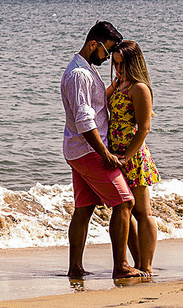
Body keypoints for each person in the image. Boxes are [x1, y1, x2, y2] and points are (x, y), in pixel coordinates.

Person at [60, 20, 142, 280]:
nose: (107, 58)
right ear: (93, 44)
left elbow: (94, 105)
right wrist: (104, 153)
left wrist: (116, 86)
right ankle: (121, 266)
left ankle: (75, 268)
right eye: (106, 53)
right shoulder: (80, 75)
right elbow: (85, 120)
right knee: (125, 201)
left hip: (78, 150)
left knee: (84, 208)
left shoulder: (84, 69)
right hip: (88, 150)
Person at [107, 40, 160, 273]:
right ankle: (137, 262)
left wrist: (128, 156)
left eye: (122, 64)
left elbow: (145, 128)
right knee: (124, 210)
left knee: (142, 211)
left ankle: (146, 266)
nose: (118, 68)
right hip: (116, 155)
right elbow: (100, 102)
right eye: (115, 64)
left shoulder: (139, 88)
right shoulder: (120, 84)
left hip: (133, 156)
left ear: (133, 63)